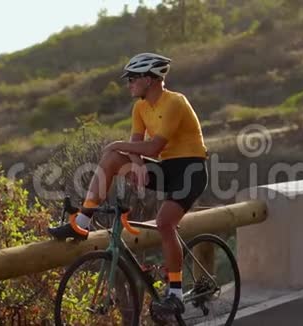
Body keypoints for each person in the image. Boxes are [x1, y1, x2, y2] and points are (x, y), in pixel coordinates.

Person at [48, 52, 209, 316]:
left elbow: (154, 148)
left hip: (190, 170)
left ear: (149, 78)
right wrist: (135, 163)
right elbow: (138, 144)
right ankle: (83, 222)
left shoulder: (176, 102)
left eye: (132, 79)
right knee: (112, 159)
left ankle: (176, 294)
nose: (129, 84)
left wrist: (119, 145)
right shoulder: (140, 108)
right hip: (167, 168)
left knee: (164, 223)